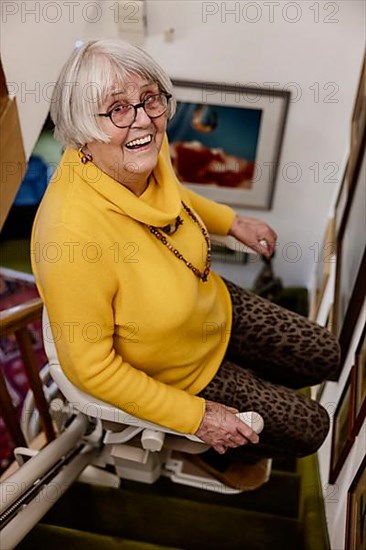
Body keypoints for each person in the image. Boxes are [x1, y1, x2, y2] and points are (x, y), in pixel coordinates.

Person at [31, 39, 340, 490]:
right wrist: (197, 418)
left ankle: (255, 397)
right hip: (180, 370)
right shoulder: (69, 236)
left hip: (210, 303)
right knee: (311, 427)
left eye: (149, 98)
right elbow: (92, 370)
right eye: (117, 108)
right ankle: (218, 451)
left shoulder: (141, 151)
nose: (143, 119)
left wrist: (232, 222)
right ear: (81, 127)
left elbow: (175, 196)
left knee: (326, 354)